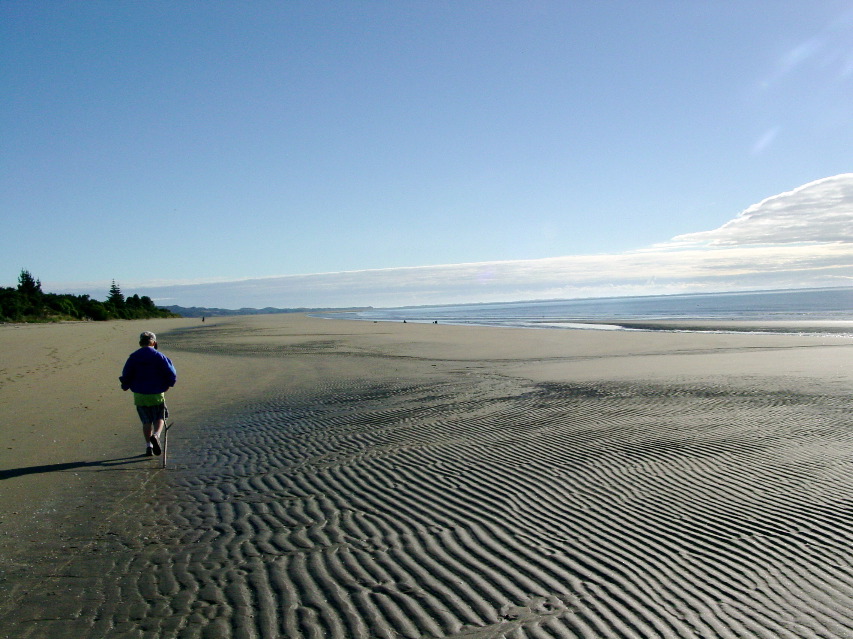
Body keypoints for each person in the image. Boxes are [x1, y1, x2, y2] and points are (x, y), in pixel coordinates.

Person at [119, 331, 177, 456]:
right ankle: (156, 435)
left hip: (140, 394)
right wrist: (169, 384)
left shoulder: (134, 356)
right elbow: (171, 372)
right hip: (156, 393)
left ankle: (148, 446)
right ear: (154, 343)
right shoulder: (159, 356)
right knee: (160, 417)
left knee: (146, 421)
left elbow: (126, 373)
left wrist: (125, 385)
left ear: (140, 343)